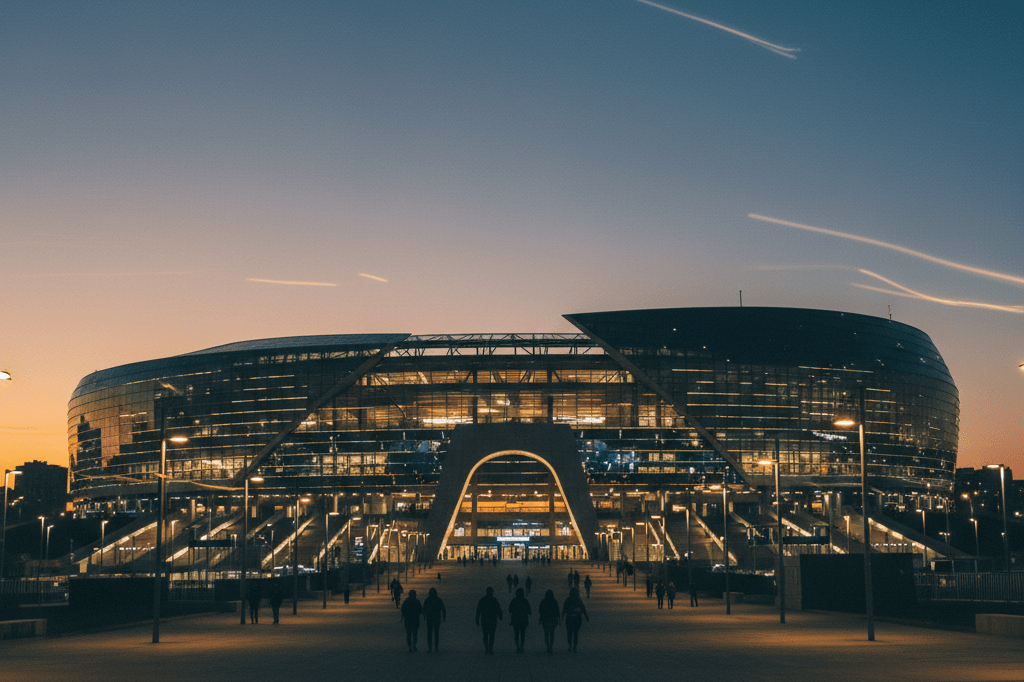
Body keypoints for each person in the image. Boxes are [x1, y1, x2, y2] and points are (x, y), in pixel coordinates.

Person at [475, 586, 503, 654]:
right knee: (491, 635)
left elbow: (478, 610)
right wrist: (500, 616)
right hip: (492, 620)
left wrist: (477, 619)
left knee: (486, 635)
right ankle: (489, 649)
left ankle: (487, 648)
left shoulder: (483, 600)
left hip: (485, 620)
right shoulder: (494, 600)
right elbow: (498, 609)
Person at [561, 587, 589, 652]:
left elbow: (564, 609)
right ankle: (574, 646)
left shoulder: (568, 599)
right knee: (575, 633)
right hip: (577, 619)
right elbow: (583, 608)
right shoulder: (578, 600)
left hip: (569, 618)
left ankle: (570, 646)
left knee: (569, 633)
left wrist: (562, 617)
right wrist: (586, 617)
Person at [422, 587, 447, 652]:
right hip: (434, 618)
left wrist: (424, 615)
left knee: (432, 633)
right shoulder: (437, 600)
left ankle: (432, 647)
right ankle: (434, 647)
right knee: (434, 633)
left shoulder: (428, 600)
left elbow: (424, 609)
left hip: (432, 618)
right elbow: (443, 609)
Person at [508, 587, 531, 654]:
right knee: (522, 634)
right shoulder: (525, 601)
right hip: (523, 620)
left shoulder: (514, 600)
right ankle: (521, 647)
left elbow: (510, 610)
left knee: (516, 634)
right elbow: (529, 611)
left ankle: (518, 647)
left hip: (515, 620)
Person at [538, 589, 560, 654]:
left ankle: (548, 646)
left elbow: (540, 611)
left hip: (545, 619)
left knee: (546, 633)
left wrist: (540, 619)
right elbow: (557, 611)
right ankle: (550, 646)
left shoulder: (543, 601)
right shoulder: (554, 601)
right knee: (552, 633)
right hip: (552, 619)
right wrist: (558, 619)